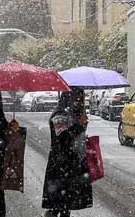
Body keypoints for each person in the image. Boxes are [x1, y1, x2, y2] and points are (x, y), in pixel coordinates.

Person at [42, 87, 92, 217]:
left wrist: (83, 125)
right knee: (61, 203)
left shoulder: (75, 114)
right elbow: (63, 138)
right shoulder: (59, 115)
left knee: (65, 204)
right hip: (60, 165)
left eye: (81, 100)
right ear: (67, 98)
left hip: (72, 165)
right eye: (76, 99)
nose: (78, 102)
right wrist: (79, 125)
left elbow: (75, 136)